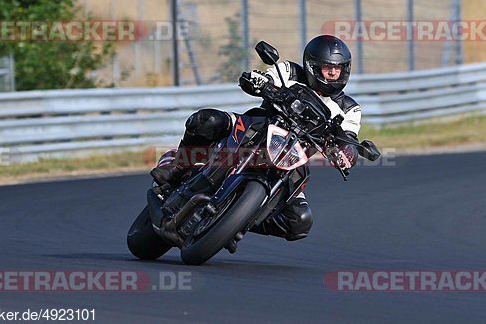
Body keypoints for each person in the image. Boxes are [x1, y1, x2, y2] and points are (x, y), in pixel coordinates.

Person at [150, 35, 361, 241]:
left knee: (299, 222)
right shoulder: (289, 71)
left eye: (338, 68)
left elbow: (349, 138)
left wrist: (346, 154)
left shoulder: (349, 109)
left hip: (293, 158)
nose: (333, 73)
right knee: (206, 120)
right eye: (328, 68)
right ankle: (176, 167)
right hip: (256, 128)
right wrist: (258, 81)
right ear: (313, 66)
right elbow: (264, 79)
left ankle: (239, 219)